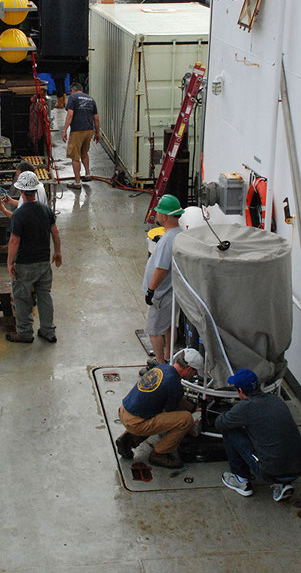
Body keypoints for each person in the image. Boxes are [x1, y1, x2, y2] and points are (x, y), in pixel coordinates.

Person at [215, 369, 301, 502]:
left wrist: (233, 413)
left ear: (240, 391)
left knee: (230, 431)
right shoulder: (276, 400)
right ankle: (281, 485)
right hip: (299, 468)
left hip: (271, 471)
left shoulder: (245, 407)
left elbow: (220, 423)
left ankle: (241, 480)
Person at [115, 348, 204, 468]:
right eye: (194, 372)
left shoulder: (162, 367)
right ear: (189, 369)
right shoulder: (175, 385)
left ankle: (128, 440)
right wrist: (193, 415)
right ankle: (159, 454)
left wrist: (191, 406)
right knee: (185, 420)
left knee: (152, 411)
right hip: (136, 423)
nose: (193, 375)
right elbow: (169, 412)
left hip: (124, 411)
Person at [6, 171, 62, 344]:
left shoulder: (19, 215)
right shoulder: (46, 210)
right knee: (45, 295)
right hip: (44, 263)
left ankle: (24, 332)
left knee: (22, 297)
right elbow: (55, 232)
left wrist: (9, 263)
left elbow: (14, 241)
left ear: (21, 192)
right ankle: (48, 331)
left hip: (25, 264)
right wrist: (57, 252)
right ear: (36, 190)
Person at [142, 194, 184, 365]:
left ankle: (160, 364)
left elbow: (160, 270)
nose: (156, 214)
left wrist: (151, 290)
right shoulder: (179, 233)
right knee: (168, 325)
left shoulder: (167, 240)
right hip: (173, 292)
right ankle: (168, 355)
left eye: (159, 211)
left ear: (165, 216)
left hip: (162, 294)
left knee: (154, 330)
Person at [62, 82, 100, 190]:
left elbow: (70, 114)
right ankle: (87, 174)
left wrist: (64, 130)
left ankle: (77, 182)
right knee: (84, 152)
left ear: (72, 90)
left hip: (77, 130)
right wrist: (97, 132)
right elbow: (96, 118)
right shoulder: (91, 99)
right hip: (89, 130)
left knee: (75, 156)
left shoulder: (72, 97)